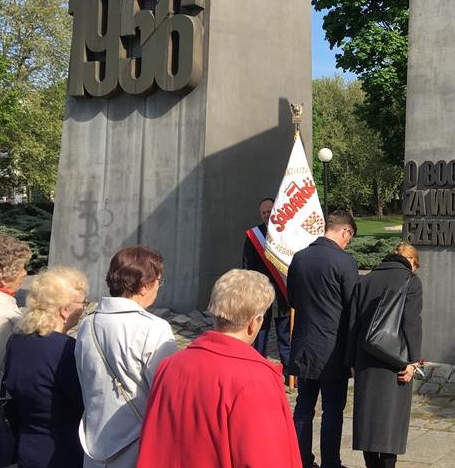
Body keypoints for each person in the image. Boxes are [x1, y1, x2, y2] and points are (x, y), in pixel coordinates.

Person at [136, 269, 302, 467]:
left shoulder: (169, 366)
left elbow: (154, 443)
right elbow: (266, 457)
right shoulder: (256, 380)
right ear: (254, 322)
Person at [75, 245, 178, 468]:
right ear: (143, 286)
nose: (158, 287)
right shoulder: (154, 328)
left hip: (93, 437)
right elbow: (168, 393)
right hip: (136, 440)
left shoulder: (87, 323)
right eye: (158, 281)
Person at [288, 210, 359, 468]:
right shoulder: (345, 262)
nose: (347, 243)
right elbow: (354, 306)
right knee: (332, 410)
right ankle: (331, 463)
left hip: (305, 346)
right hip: (332, 350)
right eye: (348, 238)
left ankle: (301, 461)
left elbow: (292, 300)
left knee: (304, 406)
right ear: (345, 231)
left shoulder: (299, 258)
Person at [3, 266, 88, 468]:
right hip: (62, 451)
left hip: (27, 445)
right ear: (64, 310)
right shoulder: (67, 350)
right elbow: (84, 401)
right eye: (82, 302)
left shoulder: (16, 341)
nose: (84, 308)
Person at [347, 242, 423, 468]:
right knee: (391, 426)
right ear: (411, 261)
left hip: (365, 358)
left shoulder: (365, 280)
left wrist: (350, 360)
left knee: (368, 424)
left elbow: (352, 323)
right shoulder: (411, 281)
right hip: (395, 361)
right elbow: (412, 324)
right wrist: (413, 361)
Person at [243, 197, 291, 369]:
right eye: (263, 212)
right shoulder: (253, 235)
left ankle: (289, 370)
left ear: (275, 211)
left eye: (269, 211)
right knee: (260, 333)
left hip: (282, 293)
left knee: (285, 335)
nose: (266, 215)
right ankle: (258, 365)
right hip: (261, 293)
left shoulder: (286, 234)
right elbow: (247, 266)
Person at [0, 235, 31, 383]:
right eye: (20, 268)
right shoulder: (7, 317)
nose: (25, 273)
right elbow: (14, 367)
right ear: (3, 278)